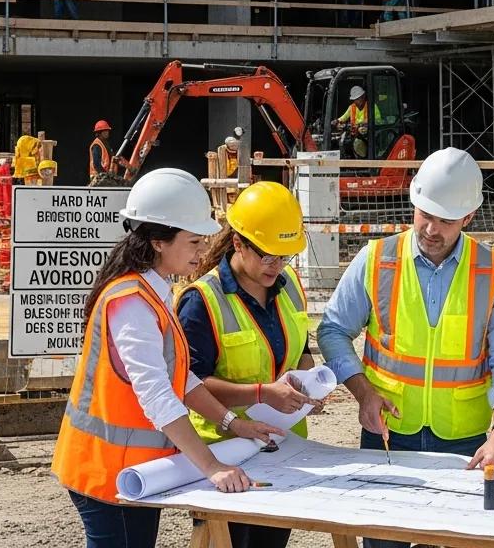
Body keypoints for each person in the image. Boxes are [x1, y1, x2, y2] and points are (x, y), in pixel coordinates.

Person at [51, 168, 283, 548]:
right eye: (193, 242)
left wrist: (231, 423)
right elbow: (157, 394)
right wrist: (211, 466)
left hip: (130, 468)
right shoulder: (131, 303)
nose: (203, 251)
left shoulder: (151, 292)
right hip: (108, 472)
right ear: (158, 242)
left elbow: (180, 377)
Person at [317, 147, 494, 548]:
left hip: (464, 441)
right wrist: (363, 394)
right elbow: (332, 331)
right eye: (425, 214)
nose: (431, 229)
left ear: (469, 217)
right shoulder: (377, 259)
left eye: (446, 220)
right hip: (388, 434)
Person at [178, 182, 324, 548]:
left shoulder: (289, 285)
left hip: (284, 449)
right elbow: (188, 384)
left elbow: (299, 348)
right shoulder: (201, 301)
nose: (277, 266)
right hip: (225, 453)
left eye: (285, 257)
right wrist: (263, 394)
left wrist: (309, 385)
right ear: (238, 243)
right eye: (268, 257)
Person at [332, 86, 379, 159]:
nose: (356, 102)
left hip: (369, 135)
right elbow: (343, 117)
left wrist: (365, 124)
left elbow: (378, 120)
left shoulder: (372, 106)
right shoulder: (352, 107)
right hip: (355, 134)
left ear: (363, 97)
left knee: (358, 144)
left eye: (357, 99)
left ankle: (363, 159)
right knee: (343, 142)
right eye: (355, 100)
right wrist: (337, 121)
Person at [90, 120, 114, 186]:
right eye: (105, 131)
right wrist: (105, 175)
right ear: (100, 132)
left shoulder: (104, 143)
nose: (108, 132)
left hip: (103, 175)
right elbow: (96, 164)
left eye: (107, 130)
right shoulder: (96, 145)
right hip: (97, 177)